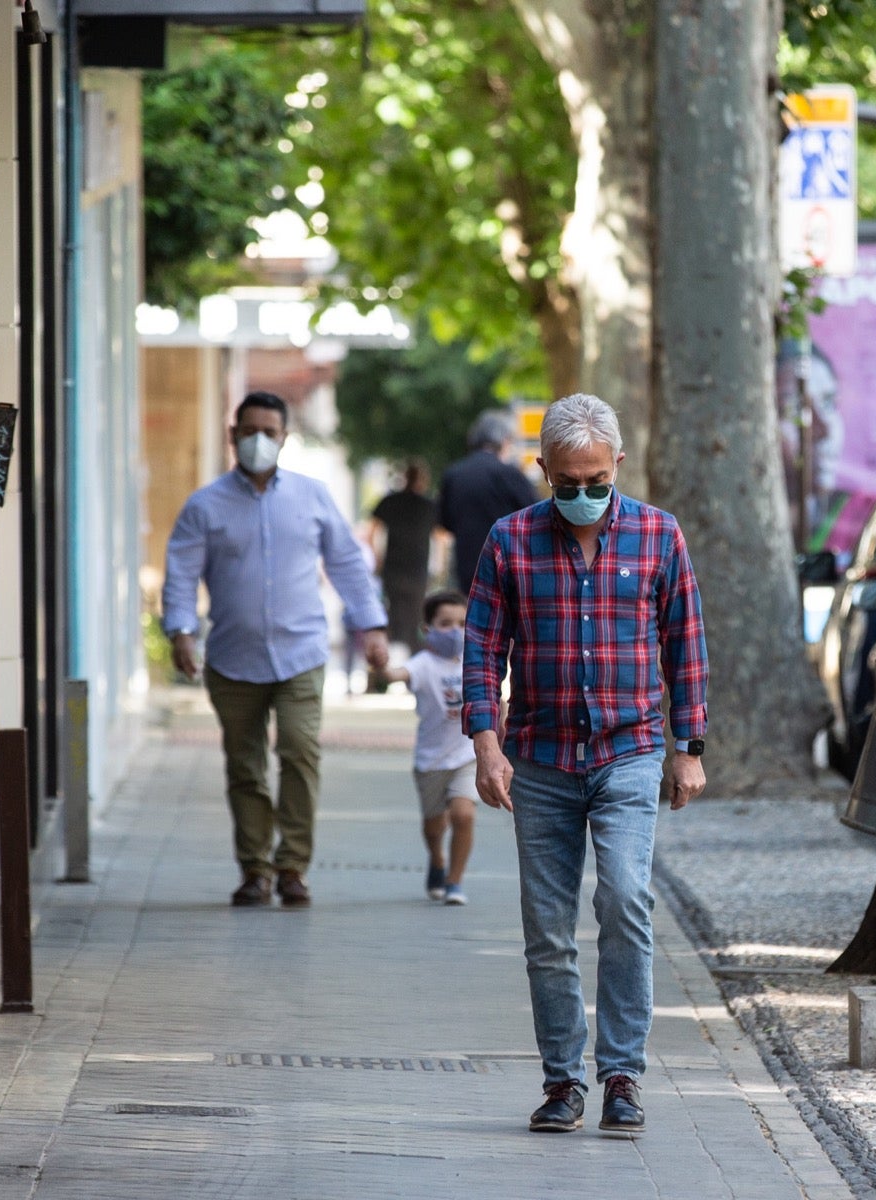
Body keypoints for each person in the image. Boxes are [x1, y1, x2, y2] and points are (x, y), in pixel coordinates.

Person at [462, 393, 708, 1138]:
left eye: (595, 479)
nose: (581, 494)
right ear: (543, 472)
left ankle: (623, 1073)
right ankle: (564, 1080)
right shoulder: (509, 542)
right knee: (547, 926)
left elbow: (685, 643)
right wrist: (485, 742)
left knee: (627, 898)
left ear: (618, 467)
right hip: (540, 756)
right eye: (566, 483)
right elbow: (481, 650)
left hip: (629, 749)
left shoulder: (660, 537)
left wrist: (690, 748)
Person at [162, 391, 391, 909]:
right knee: (244, 765)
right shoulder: (205, 505)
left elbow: (348, 565)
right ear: (232, 435)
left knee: (299, 751)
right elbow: (180, 574)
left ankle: (292, 866)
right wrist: (180, 631)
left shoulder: (313, 497)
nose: (259, 441)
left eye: (270, 431)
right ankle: (255, 869)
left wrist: (371, 626)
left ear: (285, 437)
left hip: (301, 654)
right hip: (232, 658)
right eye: (250, 431)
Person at [372, 589, 478, 906]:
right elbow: (394, 675)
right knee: (434, 826)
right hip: (431, 760)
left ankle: (455, 882)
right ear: (428, 629)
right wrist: (380, 665)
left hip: (466, 756)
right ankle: (437, 859)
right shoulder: (423, 664)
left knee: (463, 815)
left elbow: (492, 696)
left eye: (462, 622)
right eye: (446, 623)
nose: (456, 631)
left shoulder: (474, 662)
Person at [438, 409, 538, 590]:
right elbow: (536, 516)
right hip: (507, 563)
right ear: (504, 441)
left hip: (466, 562)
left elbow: (445, 521)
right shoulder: (510, 474)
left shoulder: (453, 474)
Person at [370, 460, 439, 653]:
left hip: (399, 570)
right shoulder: (428, 506)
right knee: (412, 619)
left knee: (394, 618)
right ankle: (406, 665)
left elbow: (372, 530)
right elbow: (442, 538)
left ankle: (388, 667)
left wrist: (376, 558)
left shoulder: (395, 502)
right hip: (412, 571)